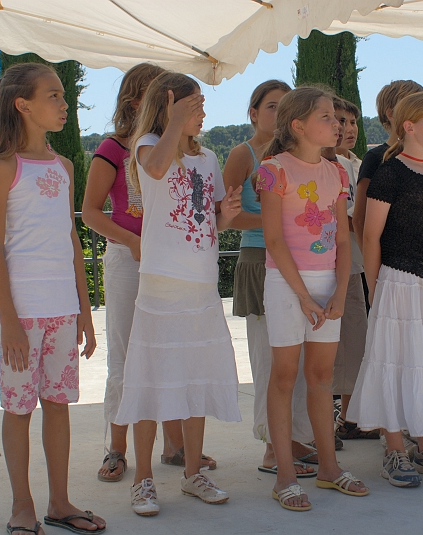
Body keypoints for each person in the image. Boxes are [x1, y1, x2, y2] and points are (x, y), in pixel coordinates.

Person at [0, 62, 105, 535]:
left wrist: (85, 310)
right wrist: (10, 320)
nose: (64, 103)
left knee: (58, 404)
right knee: (19, 408)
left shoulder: (65, 166)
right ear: (23, 105)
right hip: (22, 311)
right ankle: (22, 506)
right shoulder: (2, 167)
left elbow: (70, 238)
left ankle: (60, 502)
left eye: (63, 95)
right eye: (53, 95)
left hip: (62, 310)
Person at [114, 71, 243, 515]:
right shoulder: (148, 144)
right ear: (169, 105)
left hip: (201, 283)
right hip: (161, 283)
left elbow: (210, 220)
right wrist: (172, 121)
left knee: (195, 378)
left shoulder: (207, 158)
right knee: (151, 379)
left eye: (203, 104)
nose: (202, 112)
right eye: (194, 105)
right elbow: (154, 169)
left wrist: (228, 214)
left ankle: (192, 474)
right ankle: (144, 480)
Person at [82, 63, 216, 484]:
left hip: (171, 261)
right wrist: (132, 241)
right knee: (128, 355)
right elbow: (90, 212)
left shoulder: (185, 148)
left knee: (170, 352)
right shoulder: (116, 148)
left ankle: (174, 446)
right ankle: (117, 449)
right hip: (129, 258)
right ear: (138, 99)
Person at [348, 92, 423, 488]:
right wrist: (374, 289)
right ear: (409, 126)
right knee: (396, 360)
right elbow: (371, 236)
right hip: (398, 281)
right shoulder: (390, 173)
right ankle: (394, 449)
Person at [256, 86, 369, 511]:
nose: (336, 124)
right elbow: (274, 240)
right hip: (286, 285)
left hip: (326, 286)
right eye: (326, 116)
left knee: (322, 378)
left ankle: (329, 467)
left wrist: (339, 291)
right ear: (298, 125)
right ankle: (284, 475)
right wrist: (304, 296)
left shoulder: (337, 173)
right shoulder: (273, 170)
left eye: (337, 117)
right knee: (284, 377)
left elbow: (341, 238)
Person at [222, 80, 320, 478]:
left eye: (285, 107)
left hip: (301, 262)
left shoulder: (299, 157)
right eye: (271, 106)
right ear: (253, 113)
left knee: (299, 359)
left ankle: (294, 438)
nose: (278, 114)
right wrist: (275, 221)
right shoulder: (242, 154)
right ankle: (271, 446)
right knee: (268, 359)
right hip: (260, 261)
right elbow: (225, 217)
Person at [330, 98, 375, 441]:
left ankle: (349, 416)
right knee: (332, 347)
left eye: (353, 122)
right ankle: (329, 420)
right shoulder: (328, 165)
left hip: (358, 264)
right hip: (330, 264)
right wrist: (364, 221)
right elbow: (342, 218)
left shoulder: (358, 163)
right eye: (340, 121)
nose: (347, 129)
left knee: (355, 342)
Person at [352, 80, 423, 252]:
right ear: (391, 114)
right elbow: (360, 219)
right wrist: (370, 262)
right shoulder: (375, 158)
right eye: (412, 106)